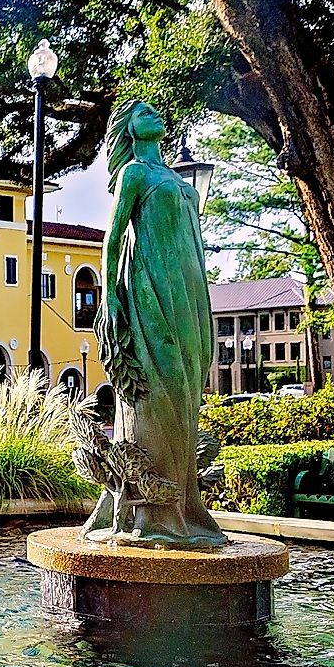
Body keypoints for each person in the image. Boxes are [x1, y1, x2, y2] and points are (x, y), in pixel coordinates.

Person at [81, 100, 227, 548]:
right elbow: (112, 235)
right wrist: (109, 298)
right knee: (157, 385)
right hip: (149, 287)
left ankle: (184, 506)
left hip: (187, 291)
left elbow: (194, 244)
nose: (157, 115)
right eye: (144, 113)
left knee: (187, 383)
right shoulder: (135, 175)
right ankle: (149, 511)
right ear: (128, 129)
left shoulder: (180, 182)